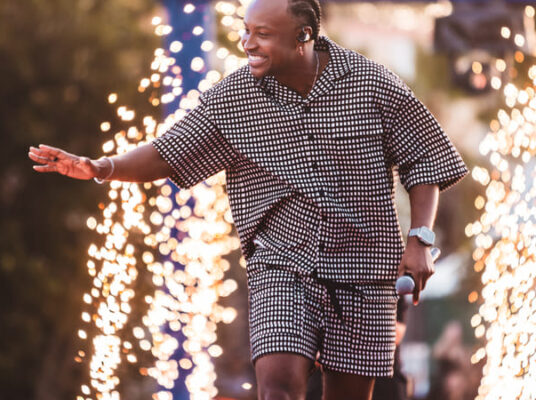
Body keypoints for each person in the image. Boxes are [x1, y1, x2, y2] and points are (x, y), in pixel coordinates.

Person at [28, 0, 468, 398]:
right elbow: (168, 152)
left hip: (364, 268)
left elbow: (424, 158)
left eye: (262, 33)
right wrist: (100, 167)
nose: (247, 43)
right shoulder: (234, 97)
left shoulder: (371, 83)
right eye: (245, 30)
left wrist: (420, 239)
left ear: (303, 36)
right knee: (277, 386)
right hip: (281, 265)